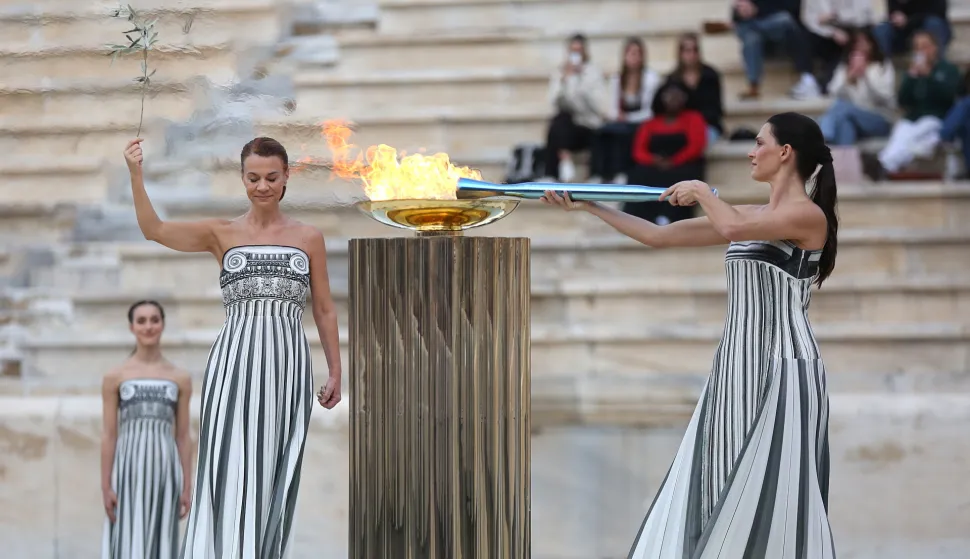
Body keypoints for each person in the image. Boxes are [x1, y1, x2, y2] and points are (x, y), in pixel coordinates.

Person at [542, 112, 839, 558]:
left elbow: (732, 229)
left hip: (784, 368)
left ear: (785, 153)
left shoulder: (807, 216)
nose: (750, 151)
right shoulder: (750, 215)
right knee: (715, 476)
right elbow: (658, 236)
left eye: (759, 143)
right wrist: (590, 205)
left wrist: (699, 189)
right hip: (734, 367)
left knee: (772, 491)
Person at [122, 136, 343, 558]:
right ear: (242, 178)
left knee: (273, 473)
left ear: (286, 179)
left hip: (286, 368)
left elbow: (324, 310)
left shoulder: (308, 237)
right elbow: (154, 230)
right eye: (253, 177)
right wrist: (136, 173)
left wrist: (334, 369)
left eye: (271, 178)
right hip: (233, 366)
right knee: (229, 468)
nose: (262, 186)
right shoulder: (220, 233)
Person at [101, 300, 193, 559]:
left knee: (162, 542)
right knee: (126, 540)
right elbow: (109, 434)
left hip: (165, 470)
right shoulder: (115, 376)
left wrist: (187, 485)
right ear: (132, 327)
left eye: (154, 319)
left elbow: (184, 436)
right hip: (127, 469)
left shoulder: (179, 378)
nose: (149, 326)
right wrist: (105, 485)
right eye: (141, 321)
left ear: (162, 324)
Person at [867, 30, 960, 179]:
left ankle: (883, 165)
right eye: (917, 48)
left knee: (920, 132)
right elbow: (902, 101)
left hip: (937, 118)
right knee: (901, 133)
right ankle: (883, 164)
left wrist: (929, 76)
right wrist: (910, 78)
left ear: (935, 48)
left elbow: (948, 97)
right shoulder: (913, 72)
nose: (921, 52)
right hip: (913, 118)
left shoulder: (947, 69)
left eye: (925, 47)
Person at [623, 81, 707, 226]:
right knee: (638, 174)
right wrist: (653, 160)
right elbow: (638, 151)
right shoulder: (650, 123)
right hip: (655, 164)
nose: (673, 99)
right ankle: (639, 218)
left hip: (684, 163)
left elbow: (695, 146)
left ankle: (670, 217)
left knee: (682, 176)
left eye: (678, 95)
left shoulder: (693, 118)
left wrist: (674, 161)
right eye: (669, 95)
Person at [588, 37, 662, 185]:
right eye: (630, 53)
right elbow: (614, 107)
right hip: (622, 121)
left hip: (642, 122)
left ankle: (621, 172)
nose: (633, 57)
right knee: (601, 132)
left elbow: (649, 111)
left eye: (637, 53)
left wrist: (627, 117)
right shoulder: (617, 78)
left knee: (625, 134)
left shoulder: (651, 78)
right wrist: (617, 116)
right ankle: (598, 173)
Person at [543, 33, 610, 182]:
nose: (576, 54)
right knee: (558, 121)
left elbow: (599, 106)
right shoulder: (561, 73)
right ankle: (557, 167)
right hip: (568, 126)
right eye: (573, 51)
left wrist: (581, 81)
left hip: (588, 124)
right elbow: (554, 102)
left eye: (579, 51)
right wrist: (564, 81)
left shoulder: (593, 72)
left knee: (593, 129)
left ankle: (573, 167)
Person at [819, 28, 896, 146]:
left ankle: (823, 135)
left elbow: (886, 97)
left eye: (865, 42)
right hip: (852, 118)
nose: (861, 47)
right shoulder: (845, 67)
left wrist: (865, 76)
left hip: (879, 119)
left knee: (842, 107)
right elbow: (832, 92)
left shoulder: (882, 65)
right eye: (857, 43)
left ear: (872, 44)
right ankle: (844, 163)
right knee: (845, 125)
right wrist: (848, 78)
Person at [732, 0, 821, 100]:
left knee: (785, 19)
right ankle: (753, 85)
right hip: (753, 28)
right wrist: (741, 11)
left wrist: (757, 10)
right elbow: (736, 14)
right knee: (751, 38)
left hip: (778, 27)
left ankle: (806, 77)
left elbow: (793, 9)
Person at [801, 0, 875, 92]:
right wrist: (831, 32)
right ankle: (808, 78)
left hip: (852, 32)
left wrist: (838, 20)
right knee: (804, 35)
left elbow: (865, 18)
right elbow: (809, 20)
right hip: (825, 36)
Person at [664, 32, 725, 144]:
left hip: (707, 126)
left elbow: (716, 110)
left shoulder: (710, 76)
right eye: (687, 50)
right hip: (681, 127)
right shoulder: (672, 79)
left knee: (698, 140)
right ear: (680, 53)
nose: (691, 55)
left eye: (695, 50)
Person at [872, 0, 949, 59]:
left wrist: (909, 20)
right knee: (881, 30)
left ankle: (934, 66)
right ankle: (881, 68)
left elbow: (938, 12)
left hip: (925, 25)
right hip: (903, 31)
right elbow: (893, 10)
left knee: (934, 23)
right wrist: (896, 16)